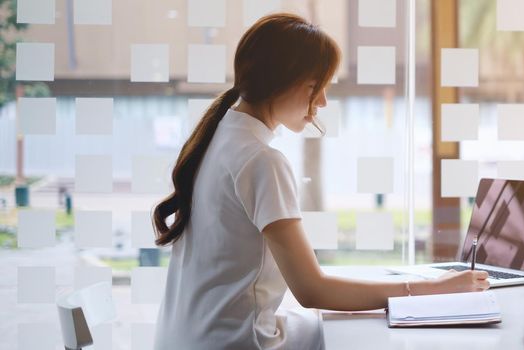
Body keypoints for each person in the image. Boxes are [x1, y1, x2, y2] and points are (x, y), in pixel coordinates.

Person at [152, 13, 489, 350]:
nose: (324, 100)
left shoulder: (217, 138)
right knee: (365, 335)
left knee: (336, 328)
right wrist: (434, 289)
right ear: (278, 80)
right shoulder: (260, 161)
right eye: (315, 87)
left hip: (184, 338)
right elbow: (312, 290)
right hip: (233, 342)